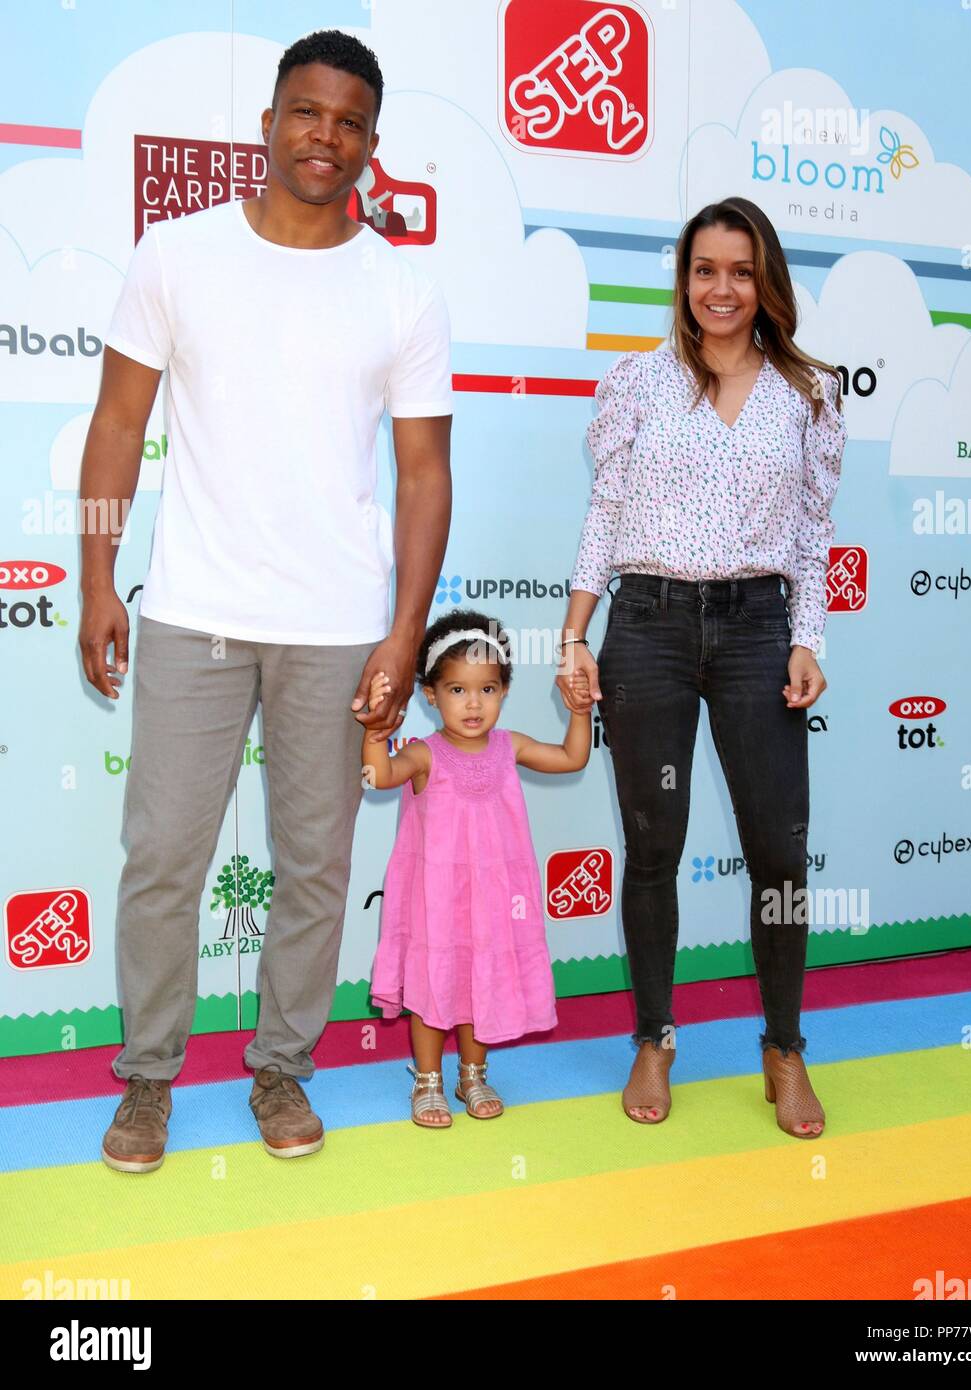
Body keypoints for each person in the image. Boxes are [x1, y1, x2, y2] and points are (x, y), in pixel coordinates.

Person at [79, 30, 453, 1172]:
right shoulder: (176, 254)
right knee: (161, 862)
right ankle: (146, 1082)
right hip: (192, 613)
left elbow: (425, 473)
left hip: (338, 629)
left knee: (316, 865)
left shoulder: (399, 287)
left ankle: (281, 1066)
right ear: (269, 121)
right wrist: (97, 575)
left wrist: (401, 631)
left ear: (370, 147)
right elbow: (114, 427)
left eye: (346, 123)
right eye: (305, 113)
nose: (322, 138)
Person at [555, 196, 847, 1137]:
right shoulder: (636, 382)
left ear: (766, 281)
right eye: (703, 269)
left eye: (739, 270)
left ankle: (785, 1049)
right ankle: (654, 1036)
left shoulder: (809, 393)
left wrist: (811, 637)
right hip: (646, 626)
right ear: (682, 280)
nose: (721, 289)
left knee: (780, 855)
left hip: (758, 628)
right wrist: (574, 632)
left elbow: (813, 531)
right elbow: (604, 512)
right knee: (653, 848)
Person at [362, 611, 591, 1127]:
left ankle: (473, 1073)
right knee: (432, 984)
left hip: (495, 902)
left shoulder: (511, 748)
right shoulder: (424, 755)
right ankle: (427, 1081)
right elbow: (377, 777)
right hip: (436, 904)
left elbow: (573, 758)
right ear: (429, 694)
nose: (473, 703)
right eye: (457, 689)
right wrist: (376, 729)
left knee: (480, 980)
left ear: (504, 692)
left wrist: (580, 711)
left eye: (487, 689)